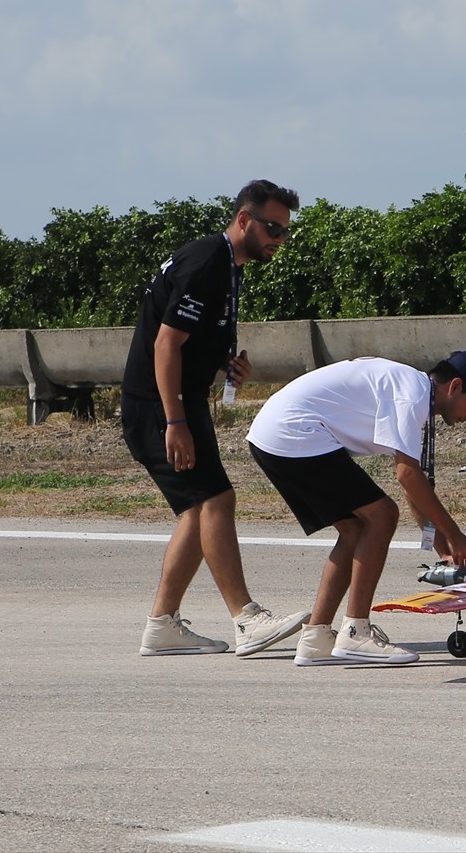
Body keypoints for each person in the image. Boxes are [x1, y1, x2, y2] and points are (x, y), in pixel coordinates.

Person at [122, 179, 310, 657]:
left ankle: (162, 627)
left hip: (181, 400)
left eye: (285, 232)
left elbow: (191, 339)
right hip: (161, 406)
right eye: (272, 227)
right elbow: (165, 344)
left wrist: (226, 368)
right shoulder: (208, 260)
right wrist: (175, 422)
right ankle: (247, 620)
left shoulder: (229, 267)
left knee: (196, 511)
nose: (278, 239)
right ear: (244, 219)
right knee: (217, 500)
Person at [245, 350, 466, 665]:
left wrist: (440, 547)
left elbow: (414, 484)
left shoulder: (412, 390)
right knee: (381, 515)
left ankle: (316, 637)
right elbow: (407, 476)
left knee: (356, 528)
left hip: (276, 432)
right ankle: (356, 633)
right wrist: (456, 536)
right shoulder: (412, 396)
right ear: (456, 386)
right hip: (293, 432)